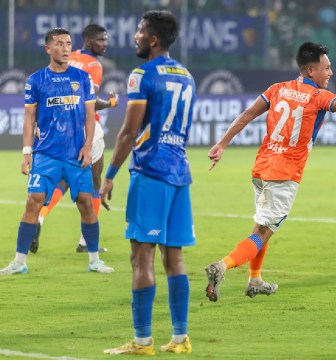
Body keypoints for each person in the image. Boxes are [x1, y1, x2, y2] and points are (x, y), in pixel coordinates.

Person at [204, 41, 336, 302]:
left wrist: (222, 143)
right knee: (263, 233)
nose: (331, 73)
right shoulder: (318, 97)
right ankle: (221, 267)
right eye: (327, 68)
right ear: (311, 71)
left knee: (261, 224)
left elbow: (246, 115)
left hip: (261, 168)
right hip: (285, 174)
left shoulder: (277, 89)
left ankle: (254, 280)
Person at [102, 10, 195, 355]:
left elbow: (128, 132)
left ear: (153, 39)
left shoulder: (142, 75)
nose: (136, 36)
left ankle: (142, 342)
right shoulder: (187, 76)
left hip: (151, 171)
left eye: (140, 31)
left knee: (141, 257)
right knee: (175, 258)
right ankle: (181, 337)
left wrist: (109, 176)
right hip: (180, 172)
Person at [0, 28, 113, 276]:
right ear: (48, 48)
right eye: (59, 43)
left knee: (85, 203)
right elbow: (29, 118)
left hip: (76, 155)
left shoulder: (82, 78)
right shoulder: (35, 80)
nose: (65, 48)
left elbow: (90, 116)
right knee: (33, 202)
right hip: (46, 155)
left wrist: (87, 145)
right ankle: (19, 261)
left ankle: (94, 260)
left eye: (68, 44)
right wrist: (27, 152)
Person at [32, 23, 119, 254]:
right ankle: (86, 242)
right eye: (101, 39)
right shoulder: (94, 65)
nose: (105, 44)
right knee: (95, 179)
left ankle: (40, 217)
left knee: (66, 177)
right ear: (89, 41)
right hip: (84, 128)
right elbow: (90, 101)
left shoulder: (66, 57)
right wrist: (110, 103)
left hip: (60, 126)